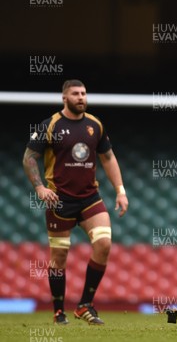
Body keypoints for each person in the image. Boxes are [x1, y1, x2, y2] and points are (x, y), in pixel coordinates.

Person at [23, 79, 129, 325]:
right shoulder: (50, 125)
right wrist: (39, 187)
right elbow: (29, 157)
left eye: (83, 93)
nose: (81, 97)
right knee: (59, 256)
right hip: (60, 201)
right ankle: (59, 311)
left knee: (104, 244)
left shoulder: (95, 124)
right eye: (75, 94)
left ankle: (84, 305)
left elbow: (108, 157)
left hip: (90, 198)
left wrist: (120, 190)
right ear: (64, 98)